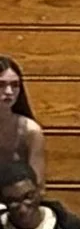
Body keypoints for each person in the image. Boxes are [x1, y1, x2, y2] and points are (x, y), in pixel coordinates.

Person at [0, 57, 43, 190]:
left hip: (17, 204)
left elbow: (38, 185)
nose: (9, 92)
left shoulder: (31, 131)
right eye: (1, 85)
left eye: (15, 85)